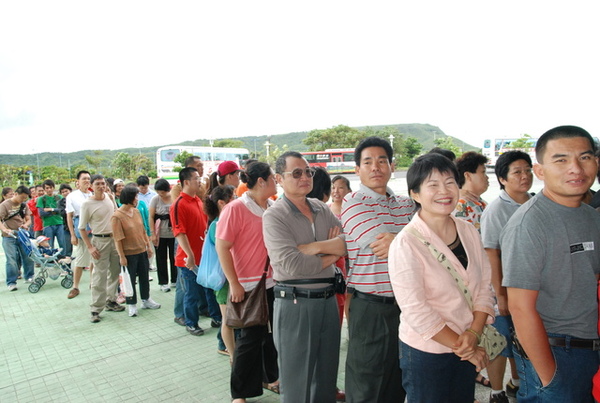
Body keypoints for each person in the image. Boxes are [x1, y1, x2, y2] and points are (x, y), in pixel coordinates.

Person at [501, 125, 600, 402]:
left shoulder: (591, 217)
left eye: (585, 157)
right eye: (561, 160)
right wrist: (549, 376)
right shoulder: (529, 224)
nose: (576, 168)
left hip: (589, 349)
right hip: (554, 350)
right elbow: (520, 308)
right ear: (540, 171)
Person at [388, 153, 494, 402]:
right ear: (415, 194)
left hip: (469, 341)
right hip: (428, 352)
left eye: (449, 182)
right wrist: (465, 347)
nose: (444, 191)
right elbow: (416, 310)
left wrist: (474, 334)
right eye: (432, 185)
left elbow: (483, 287)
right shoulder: (406, 243)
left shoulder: (467, 230)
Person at [263, 151, 346, 402]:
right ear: (279, 178)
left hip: (329, 302)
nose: (304, 177)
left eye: (308, 172)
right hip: (296, 303)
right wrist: (330, 249)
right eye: (296, 173)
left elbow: (346, 243)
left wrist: (316, 247)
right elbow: (292, 264)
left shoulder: (322, 208)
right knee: (296, 381)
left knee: (326, 376)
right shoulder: (274, 216)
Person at [340, 137, 414, 402]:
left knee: (399, 376)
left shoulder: (405, 204)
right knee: (367, 380)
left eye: (382, 160)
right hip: (371, 306)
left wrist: (402, 239)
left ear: (392, 166)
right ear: (357, 169)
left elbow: (425, 242)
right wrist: (410, 238)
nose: (376, 167)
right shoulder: (353, 202)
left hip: (406, 305)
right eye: (368, 162)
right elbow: (383, 246)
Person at [216, 162, 279, 401]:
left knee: (271, 337)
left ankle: (270, 378)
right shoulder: (236, 209)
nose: (275, 182)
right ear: (261, 181)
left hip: (274, 282)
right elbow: (223, 246)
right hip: (249, 285)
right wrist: (234, 283)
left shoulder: (273, 206)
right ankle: (239, 394)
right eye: (272, 178)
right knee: (249, 340)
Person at [480, 151, 532, 402]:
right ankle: (497, 392)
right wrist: (500, 295)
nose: (525, 176)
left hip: (528, 288)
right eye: (517, 172)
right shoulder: (496, 209)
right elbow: (491, 253)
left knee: (522, 339)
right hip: (503, 290)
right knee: (500, 343)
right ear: (502, 178)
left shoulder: (535, 202)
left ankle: (518, 382)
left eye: (528, 170)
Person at [79, 174, 125, 323]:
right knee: (99, 275)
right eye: (98, 184)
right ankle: (96, 309)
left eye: (103, 183)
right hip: (99, 241)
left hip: (114, 240)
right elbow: (82, 228)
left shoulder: (109, 198)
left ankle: (111, 300)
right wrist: (90, 247)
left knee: (114, 272)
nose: (101, 186)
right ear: (92, 186)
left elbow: (117, 215)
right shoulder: (87, 204)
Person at [169, 167, 208, 336]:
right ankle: (191, 323)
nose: (199, 181)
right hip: (188, 260)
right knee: (190, 293)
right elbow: (179, 232)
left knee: (202, 291)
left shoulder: (198, 201)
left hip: (202, 255)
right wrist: (189, 255)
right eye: (196, 178)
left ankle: (204, 315)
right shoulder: (179, 204)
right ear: (186, 182)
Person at [112, 184, 161, 317]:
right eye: (136, 196)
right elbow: (118, 239)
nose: (137, 198)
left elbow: (143, 230)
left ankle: (146, 299)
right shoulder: (117, 216)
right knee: (130, 280)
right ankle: (131, 304)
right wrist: (122, 256)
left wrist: (147, 246)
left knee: (144, 277)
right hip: (128, 254)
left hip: (141, 250)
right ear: (129, 198)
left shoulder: (136, 211)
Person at [204, 184, 236, 357]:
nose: (238, 201)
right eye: (234, 198)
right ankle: (232, 354)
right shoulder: (218, 225)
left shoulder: (224, 222)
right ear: (222, 203)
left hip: (229, 277)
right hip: (224, 279)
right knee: (228, 320)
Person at [0, 186, 34, 290]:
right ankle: (11, 282)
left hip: (22, 235)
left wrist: (26, 225)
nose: (23, 200)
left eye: (25, 198)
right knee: (11, 259)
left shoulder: (24, 205)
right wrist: (4, 229)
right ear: (15, 194)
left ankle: (29, 276)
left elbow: (28, 219)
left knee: (28, 255)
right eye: (22, 197)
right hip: (8, 236)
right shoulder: (4, 205)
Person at [66, 171, 93, 299]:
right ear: (78, 181)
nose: (87, 181)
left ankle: (93, 283)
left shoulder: (93, 194)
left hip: (95, 228)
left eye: (88, 178)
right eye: (84, 179)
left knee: (95, 258)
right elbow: (69, 216)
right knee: (81, 259)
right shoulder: (72, 196)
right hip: (81, 228)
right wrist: (72, 235)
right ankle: (75, 286)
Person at [149, 178, 176, 292]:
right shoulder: (155, 199)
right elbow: (150, 216)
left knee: (174, 257)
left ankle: (175, 279)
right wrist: (152, 234)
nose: (161, 194)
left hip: (174, 233)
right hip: (160, 233)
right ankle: (163, 282)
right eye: (159, 191)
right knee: (161, 258)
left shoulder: (174, 197)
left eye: (163, 192)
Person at [453, 151, 489, 232]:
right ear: (468, 176)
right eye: (483, 172)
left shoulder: (482, 203)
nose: (487, 177)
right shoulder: (460, 205)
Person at [36, 179, 65, 252]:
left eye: (51, 187)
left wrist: (50, 209)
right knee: (49, 245)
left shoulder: (59, 197)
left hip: (59, 223)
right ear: (44, 189)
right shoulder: (41, 199)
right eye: (47, 188)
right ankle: (51, 260)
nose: (49, 190)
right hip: (48, 224)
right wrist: (56, 210)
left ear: (54, 187)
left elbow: (62, 210)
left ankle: (64, 260)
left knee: (63, 244)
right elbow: (41, 213)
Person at [58, 184, 73, 257]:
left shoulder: (75, 199)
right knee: (67, 248)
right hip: (66, 227)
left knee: (81, 247)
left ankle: (83, 265)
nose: (65, 193)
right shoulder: (61, 202)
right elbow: (62, 213)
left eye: (66, 191)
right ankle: (66, 265)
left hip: (77, 226)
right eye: (63, 192)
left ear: (70, 191)